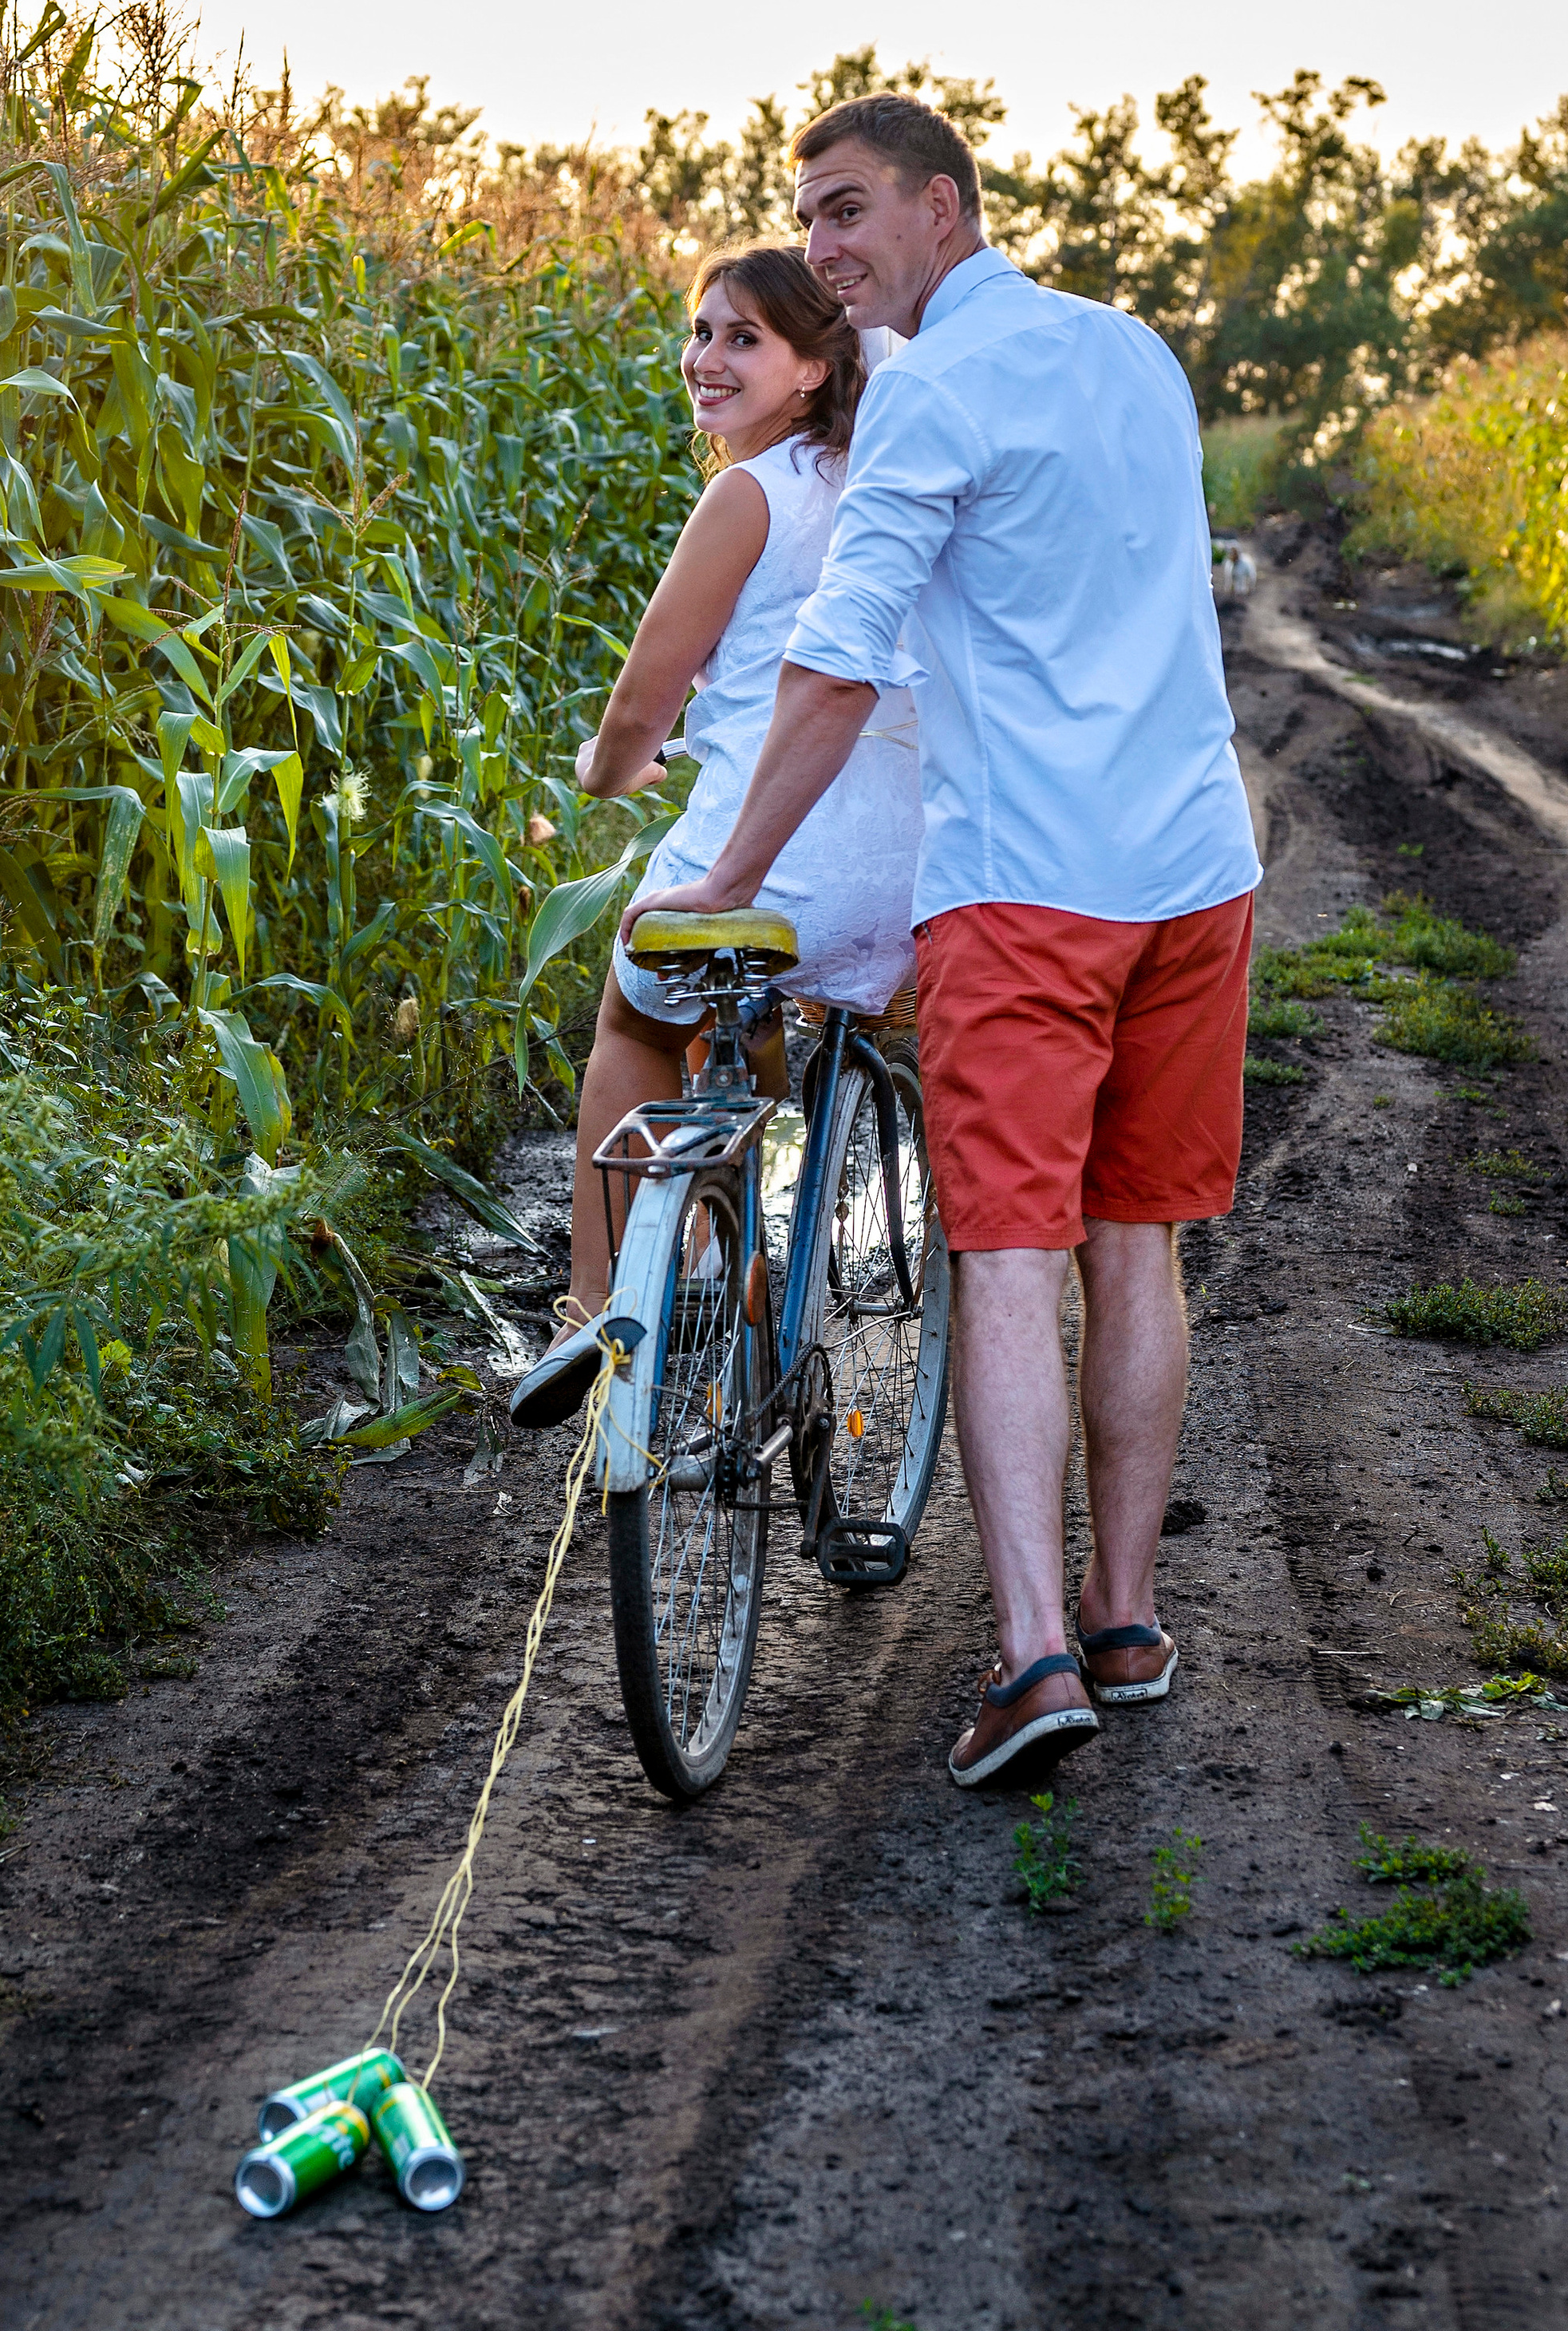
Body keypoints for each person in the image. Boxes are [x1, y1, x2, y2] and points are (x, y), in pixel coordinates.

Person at [627, 93, 1261, 1789]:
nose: (825, 251)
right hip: (1193, 864)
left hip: (1028, 887)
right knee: (1137, 1241)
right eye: (806, 223)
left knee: (1006, 1254)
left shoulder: (928, 393)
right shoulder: (1131, 353)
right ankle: (1121, 1620)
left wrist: (728, 869)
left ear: (941, 206)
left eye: (845, 213)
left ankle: (1032, 1657)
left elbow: (836, 663)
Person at [508, 243, 923, 1432]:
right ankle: (749, 1304)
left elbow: (646, 702)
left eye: (743, 338)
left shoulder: (751, 493)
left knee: (640, 1010)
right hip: (900, 861)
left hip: (780, 843)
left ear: (813, 368)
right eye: (701, 333)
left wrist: (606, 772)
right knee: (746, 1021)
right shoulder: (893, 481)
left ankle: (590, 1304)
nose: (706, 359)